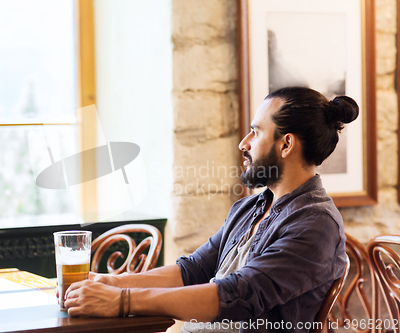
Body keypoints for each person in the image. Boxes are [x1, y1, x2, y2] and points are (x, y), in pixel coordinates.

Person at [59, 86, 356, 332]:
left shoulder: (316, 223)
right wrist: (111, 282)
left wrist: (122, 300)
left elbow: (238, 296)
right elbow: (193, 270)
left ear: (286, 144)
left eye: (255, 132)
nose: (244, 143)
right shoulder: (250, 207)